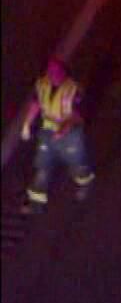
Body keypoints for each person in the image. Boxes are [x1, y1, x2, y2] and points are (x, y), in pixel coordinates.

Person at [19, 57, 95, 215]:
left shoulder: (73, 89)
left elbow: (77, 116)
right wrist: (27, 123)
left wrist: (63, 130)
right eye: (50, 72)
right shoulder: (42, 85)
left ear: (63, 73)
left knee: (76, 164)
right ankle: (36, 203)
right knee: (42, 168)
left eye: (56, 72)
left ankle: (85, 183)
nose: (53, 75)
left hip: (70, 133)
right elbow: (36, 104)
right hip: (48, 131)